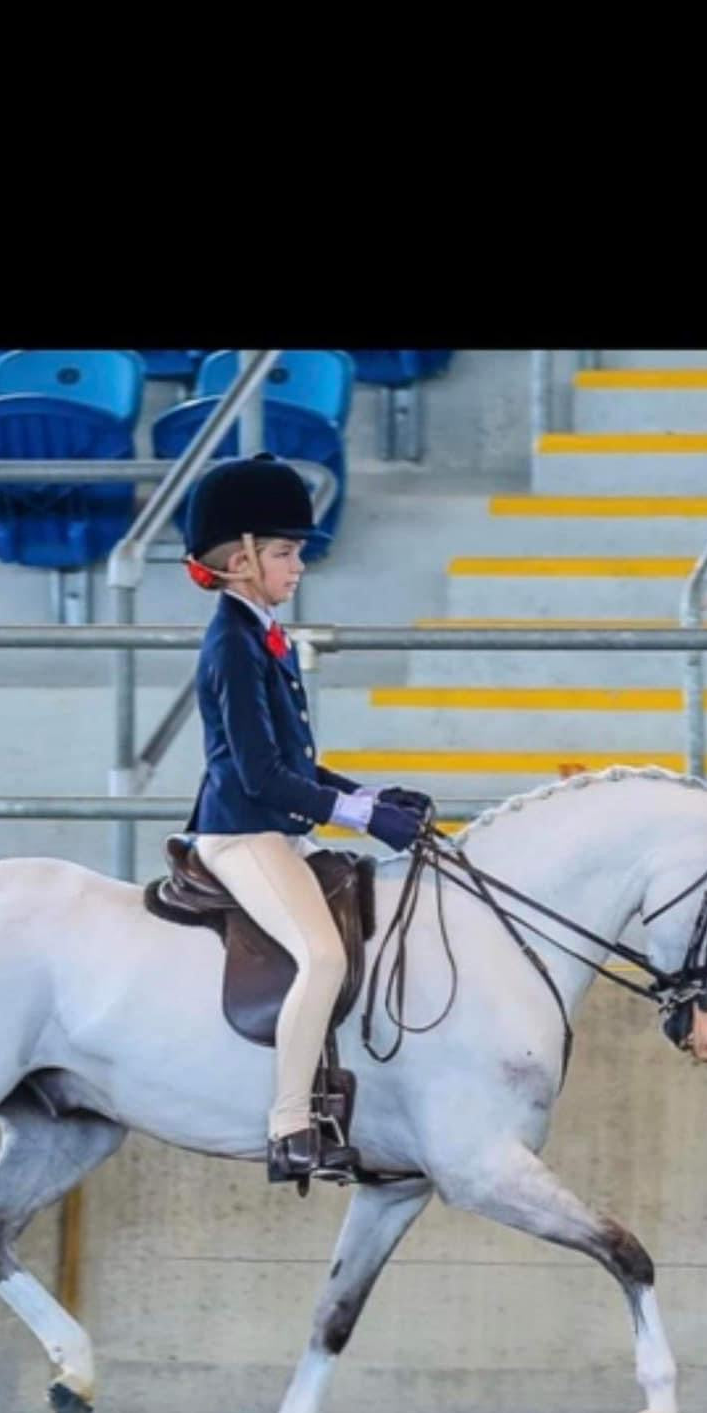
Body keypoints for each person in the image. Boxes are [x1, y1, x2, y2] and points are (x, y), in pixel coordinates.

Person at [183, 452, 430, 1184]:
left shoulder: (263, 633)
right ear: (241, 560)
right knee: (323, 957)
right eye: (287, 554)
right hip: (242, 833)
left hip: (276, 827)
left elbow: (296, 760)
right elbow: (259, 775)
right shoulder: (232, 642)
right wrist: (353, 814)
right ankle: (291, 1123)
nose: (299, 567)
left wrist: (370, 798)